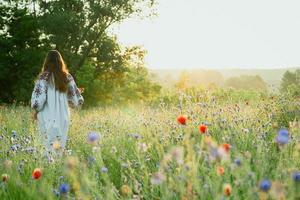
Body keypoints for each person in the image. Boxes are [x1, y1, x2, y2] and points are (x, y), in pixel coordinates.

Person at [31, 50, 83, 156]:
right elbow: (76, 100)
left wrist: (36, 111)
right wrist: (64, 102)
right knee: (59, 147)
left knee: (46, 148)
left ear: (47, 61)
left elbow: (38, 103)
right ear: (60, 62)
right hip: (63, 117)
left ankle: (47, 170)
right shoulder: (67, 77)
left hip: (46, 116)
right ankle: (57, 169)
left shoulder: (43, 77)